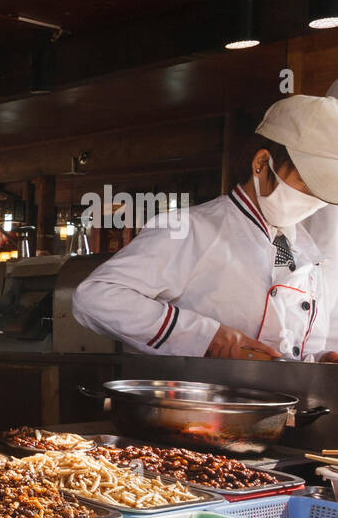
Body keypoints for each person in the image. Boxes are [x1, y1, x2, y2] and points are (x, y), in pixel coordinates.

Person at [72, 94, 338, 362]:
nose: (315, 198)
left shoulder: (307, 252)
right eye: (307, 181)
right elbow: (96, 297)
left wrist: (319, 360)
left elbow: (289, 348)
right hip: (195, 402)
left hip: (279, 403)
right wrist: (206, 337)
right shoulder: (190, 229)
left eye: (323, 189)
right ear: (261, 164)